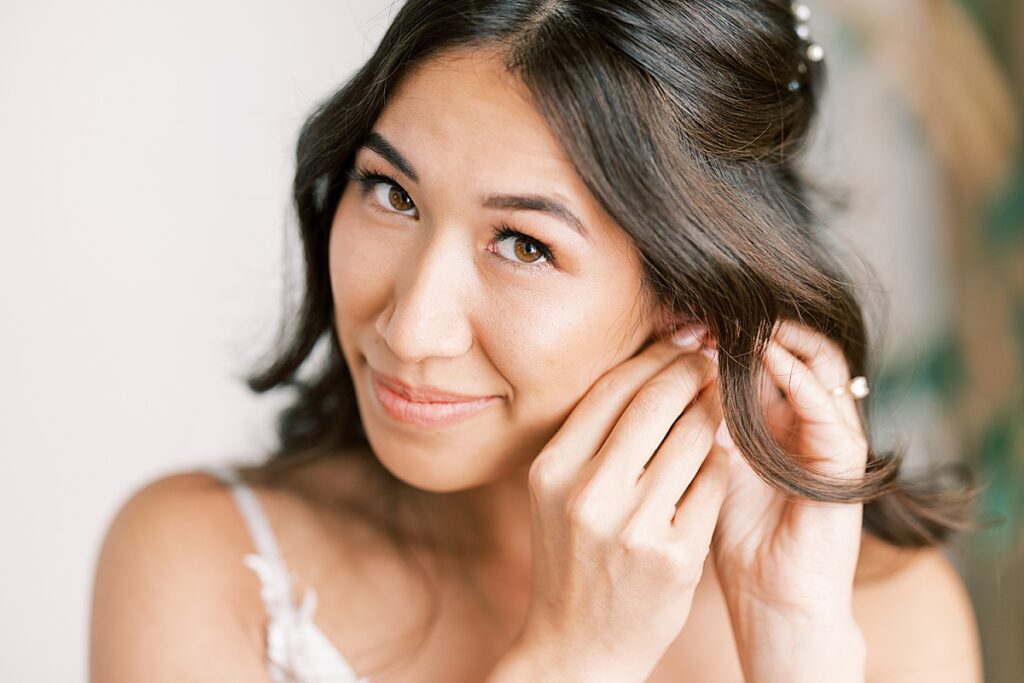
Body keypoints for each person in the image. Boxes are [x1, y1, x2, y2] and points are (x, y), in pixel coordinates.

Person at [88, 2, 985, 681]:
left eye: (524, 244)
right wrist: (571, 659)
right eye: (391, 192)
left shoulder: (884, 612)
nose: (411, 325)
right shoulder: (205, 565)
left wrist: (794, 642)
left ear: (697, 294)